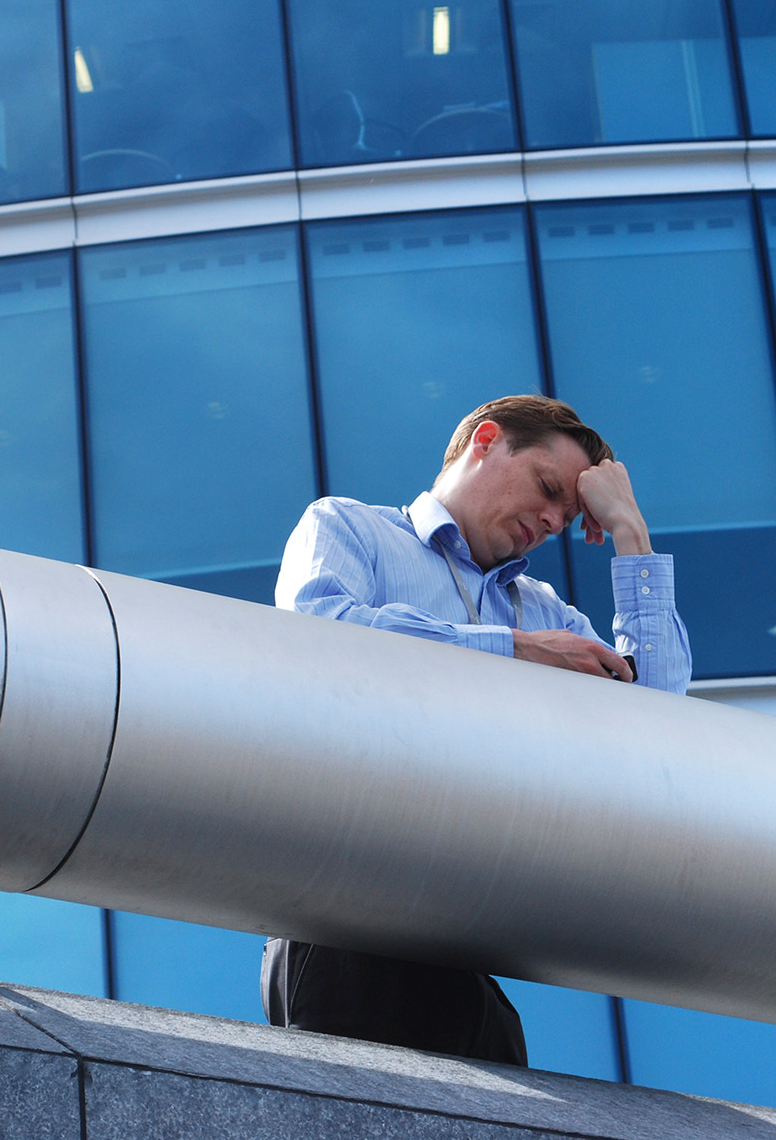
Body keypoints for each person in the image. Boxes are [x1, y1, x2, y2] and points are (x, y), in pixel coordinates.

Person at [261, 394, 692, 1064]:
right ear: (485, 442)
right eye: (548, 489)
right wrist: (516, 652)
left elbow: (662, 718)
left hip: (469, 945)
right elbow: (323, 630)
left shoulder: (545, 610)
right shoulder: (351, 528)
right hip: (347, 919)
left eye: (571, 516)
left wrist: (632, 534)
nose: (553, 519)